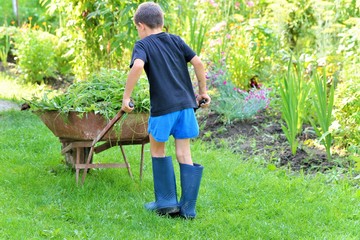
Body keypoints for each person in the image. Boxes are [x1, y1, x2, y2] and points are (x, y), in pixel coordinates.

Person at [121, 2, 211, 219]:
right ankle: (188, 209)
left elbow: (138, 66)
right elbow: (198, 63)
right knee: (184, 153)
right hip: (186, 106)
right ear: (161, 22)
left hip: (163, 109)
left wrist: (126, 97)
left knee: (158, 150)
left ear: (141, 26)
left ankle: (166, 202)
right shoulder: (176, 40)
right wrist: (203, 92)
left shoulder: (142, 45)